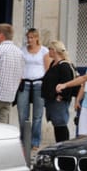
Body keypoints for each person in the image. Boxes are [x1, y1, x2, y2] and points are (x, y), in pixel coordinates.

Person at [18, 28, 50, 156]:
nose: (30, 40)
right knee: (22, 114)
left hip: (39, 83)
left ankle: (35, 141)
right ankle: (23, 140)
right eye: (28, 37)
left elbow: (47, 69)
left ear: (37, 38)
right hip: (25, 83)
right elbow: (20, 66)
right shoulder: (22, 50)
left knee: (37, 116)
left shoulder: (44, 51)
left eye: (32, 37)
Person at [40, 40, 78, 143]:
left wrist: (61, 97)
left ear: (55, 50)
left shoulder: (64, 66)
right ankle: (59, 145)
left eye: (50, 49)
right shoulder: (53, 63)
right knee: (56, 125)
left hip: (59, 101)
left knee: (60, 124)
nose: (48, 52)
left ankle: (63, 146)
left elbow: (68, 84)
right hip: (51, 99)